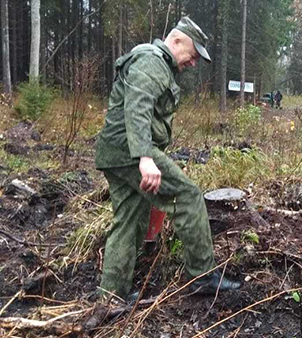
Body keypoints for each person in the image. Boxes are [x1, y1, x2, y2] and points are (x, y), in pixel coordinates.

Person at [95, 17, 241, 302]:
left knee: (128, 219)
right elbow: (137, 108)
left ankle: (111, 296)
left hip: (115, 152)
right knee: (187, 196)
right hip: (129, 151)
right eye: (193, 54)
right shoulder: (152, 61)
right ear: (175, 41)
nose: (194, 62)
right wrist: (145, 158)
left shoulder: (155, 62)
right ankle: (202, 276)